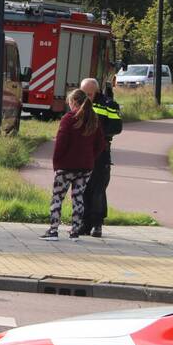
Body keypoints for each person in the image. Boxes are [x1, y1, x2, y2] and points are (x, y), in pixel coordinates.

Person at [41, 89, 105, 241]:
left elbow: (61, 143)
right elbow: (101, 144)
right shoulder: (93, 119)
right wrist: (91, 157)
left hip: (66, 165)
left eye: (69, 102)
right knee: (78, 197)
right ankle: (75, 231)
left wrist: (57, 162)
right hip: (85, 167)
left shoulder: (68, 118)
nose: (69, 105)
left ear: (74, 102)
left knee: (57, 197)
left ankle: (53, 230)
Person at [77, 78, 123, 237]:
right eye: (83, 93)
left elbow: (116, 127)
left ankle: (97, 224)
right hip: (82, 151)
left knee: (98, 188)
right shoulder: (78, 102)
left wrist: (96, 134)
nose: (86, 97)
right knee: (83, 188)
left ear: (96, 92)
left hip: (100, 152)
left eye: (89, 94)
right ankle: (84, 223)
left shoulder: (109, 104)